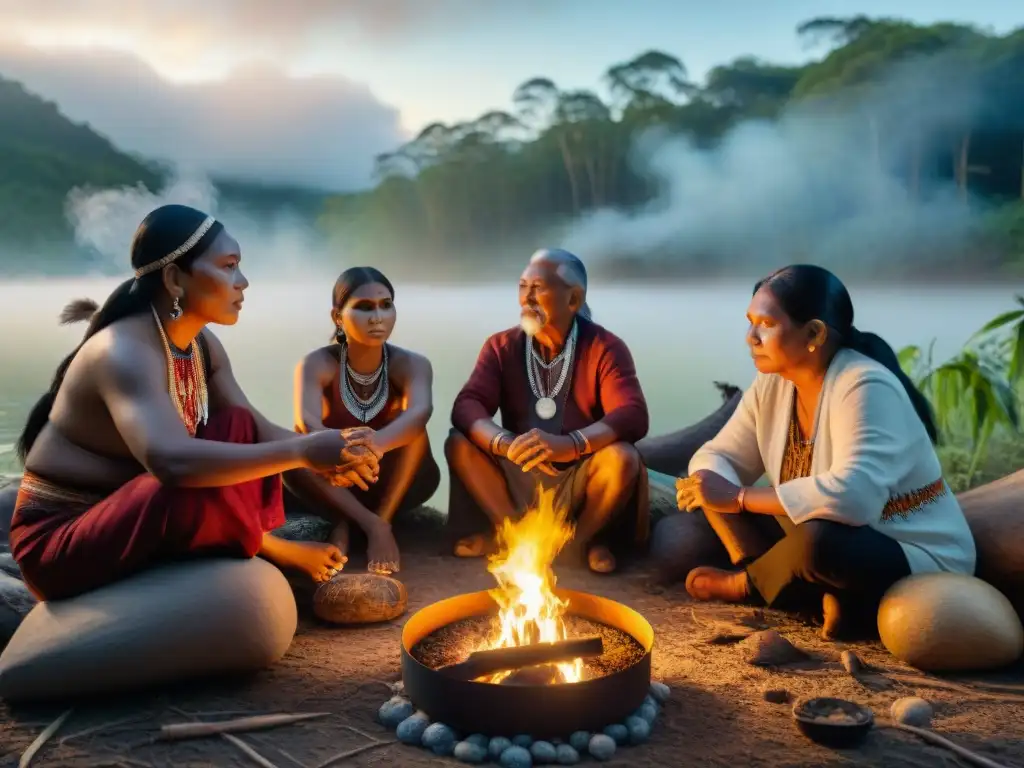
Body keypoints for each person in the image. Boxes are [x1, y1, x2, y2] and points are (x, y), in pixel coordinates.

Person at [9, 204, 383, 601]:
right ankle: (269, 549)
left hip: (133, 514)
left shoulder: (201, 346)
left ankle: (258, 547)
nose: (243, 282)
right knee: (183, 475)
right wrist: (304, 451)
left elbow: (257, 431)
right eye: (228, 266)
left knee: (236, 426)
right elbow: (171, 463)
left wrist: (337, 450)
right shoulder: (122, 351)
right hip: (63, 540)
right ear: (174, 278)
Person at [676, 264, 976, 639]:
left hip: (904, 550)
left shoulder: (864, 385)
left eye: (765, 324)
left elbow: (854, 500)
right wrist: (710, 479)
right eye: (750, 322)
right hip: (810, 531)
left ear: (814, 332)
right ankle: (792, 583)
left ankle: (748, 586)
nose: (750, 337)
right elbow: (721, 453)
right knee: (709, 484)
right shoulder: (773, 384)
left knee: (819, 543)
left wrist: (738, 497)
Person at [446, 248, 650, 574]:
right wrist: (503, 443)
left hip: (579, 476)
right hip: (520, 467)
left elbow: (632, 414)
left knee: (621, 459)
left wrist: (572, 445)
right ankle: (515, 536)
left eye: (538, 288)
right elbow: (467, 406)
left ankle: (577, 543)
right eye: (522, 287)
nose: (526, 298)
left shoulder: (605, 347)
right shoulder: (501, 345)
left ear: (573, 299)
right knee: (460, 442)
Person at [293, 267, 439, 575]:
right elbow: (307, 422)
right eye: (364, 307)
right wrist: (344, 455)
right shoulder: (316, 364)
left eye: (386, 305)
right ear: (337, 317)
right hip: (335, 478)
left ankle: (382, 521)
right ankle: (358, 522)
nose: (378, 317)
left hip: (394, 479)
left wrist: (370, 448)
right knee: (297, 442)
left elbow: (419, 413)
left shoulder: (412, 364)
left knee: (415, 431)